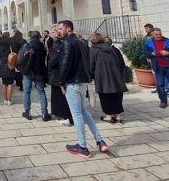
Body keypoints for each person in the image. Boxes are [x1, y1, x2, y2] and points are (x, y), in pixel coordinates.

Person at [56, 20, 109, 158]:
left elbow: (65, 64)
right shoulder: (82, 42)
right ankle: (100, 141)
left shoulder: (67, 42)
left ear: (68, 29)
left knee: (77, 114)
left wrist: (61, 82)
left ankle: (83, 147)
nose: (58, 31)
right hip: (82, 81)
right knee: (84, 112)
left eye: (61, 28)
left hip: (72, 82)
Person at [90, 33, 127, 123]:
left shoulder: (93, 50)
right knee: (116, 95)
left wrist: (90, 75)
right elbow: (118, 62)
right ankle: (118, 116)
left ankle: (109, 116)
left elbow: (91, 64)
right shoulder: (111, 49)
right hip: (115, 75)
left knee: (105, 95)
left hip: (102, 75)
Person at [144, 28, 169, 108]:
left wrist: (168, 53)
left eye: (160, 34)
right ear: (153, 35)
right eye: (157, 34)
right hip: (158, 67)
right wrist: (152, 53)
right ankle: (163, 101)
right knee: (160, 85)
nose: (159, 36)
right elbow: (146, 52)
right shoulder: (148, 42)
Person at [21, 31, 51, 121]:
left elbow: (22, 58)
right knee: (41, 92)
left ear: (30, 37)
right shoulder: (42, 46)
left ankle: (27, 112)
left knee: (26, 92)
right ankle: (44, 113)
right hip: (39, 72)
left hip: (28, 72)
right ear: (39, 37)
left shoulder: (27, 46)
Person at [48, 27, 73, 126]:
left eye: (54, 32)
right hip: (57, 74)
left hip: (58, 73)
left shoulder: (59, 44)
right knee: (57, 96)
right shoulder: (59, 42)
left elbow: (54, 60)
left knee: (61, 96)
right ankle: (60, 113)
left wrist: (50, 62)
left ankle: (65, 115)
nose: (53, 33)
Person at [0, 31, 15, 105]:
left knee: (4, 83)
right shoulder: (11, 43)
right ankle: (9, 100)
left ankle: (5, 100)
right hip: (10, 63)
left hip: (3, 64)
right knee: (10, 83)